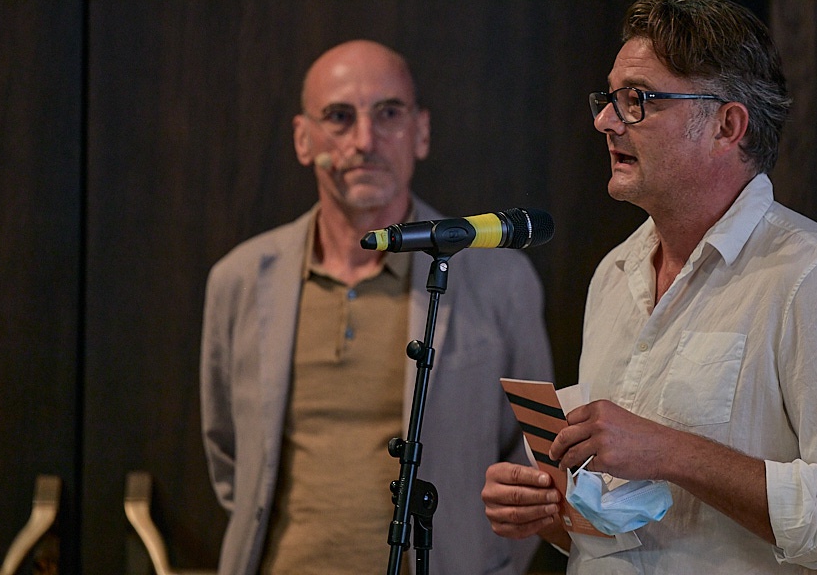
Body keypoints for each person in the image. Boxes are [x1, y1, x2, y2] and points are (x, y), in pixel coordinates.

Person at [481, 0, 817, 573]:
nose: (605, 121)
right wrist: (555, 511)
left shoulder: (814, 278)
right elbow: (637, 529)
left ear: (727, 126)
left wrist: (672, 452)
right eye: (609, 98)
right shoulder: (614, 273)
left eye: (637, 100)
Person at [201, 39, 554, 575]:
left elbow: (536, 453)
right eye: (339, 117)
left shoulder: (499, 278)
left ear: (422, 132)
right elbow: (229, 457)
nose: (365, 141)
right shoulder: (241, 279)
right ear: (302, 138)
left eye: (389, 113)